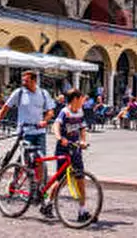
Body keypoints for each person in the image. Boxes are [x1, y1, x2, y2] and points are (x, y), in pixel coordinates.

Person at [0, 70, 56, 216]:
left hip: (39, 133)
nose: (23, 83)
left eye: (26, 80)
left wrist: (45, 121)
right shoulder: (19, 93)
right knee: (27, 162)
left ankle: (38, 189)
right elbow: (6, 107)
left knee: (40, 162)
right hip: (25, 132)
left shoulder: (43, 94)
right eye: (23, 80)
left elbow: (51, 110)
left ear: (34, 81)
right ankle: (19, 182)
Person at [52, 89, 90, 224]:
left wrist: (83, 141)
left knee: (80, 178)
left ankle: (82, 210)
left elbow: (82, 128)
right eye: (81, 98)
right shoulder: (65, 112)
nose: (83, 101)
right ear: (75, 99)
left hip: (75, 149)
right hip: (63, 149)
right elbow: (56, 125)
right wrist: (59, 137)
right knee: (62, 180)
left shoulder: (80, 111)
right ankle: (49, 203)